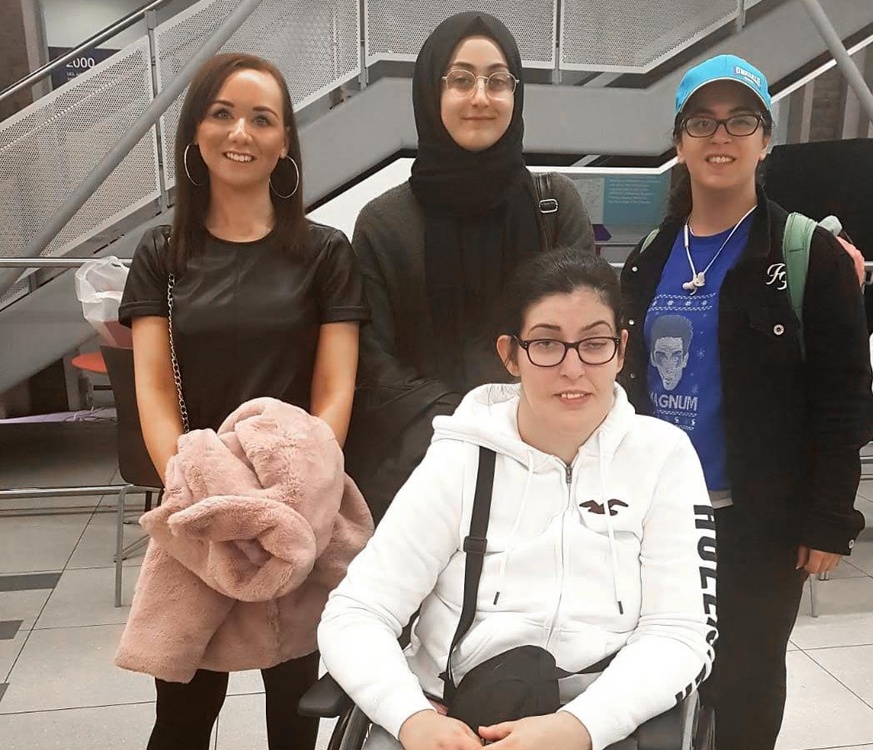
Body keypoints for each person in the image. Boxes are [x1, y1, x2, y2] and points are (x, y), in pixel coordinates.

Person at [319, 249, 716, 750]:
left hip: (602, 718)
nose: (573, 368)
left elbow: (680, 631)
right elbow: (356, 612)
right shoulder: (461, 455)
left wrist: (580, 727)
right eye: (547, 343)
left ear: (620, 350)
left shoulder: (662, 456)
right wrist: (411, 717)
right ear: (510, 355)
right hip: (453, 714)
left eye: (593, 343)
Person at [619, 54, 873, 750]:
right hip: (659, 518)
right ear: (679, 142)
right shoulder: (649, 254)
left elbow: (844, 396)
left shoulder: (810, 255)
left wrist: (829, 519)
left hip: (758, 520)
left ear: (765, 141)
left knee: (748, 677)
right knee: (655, 673)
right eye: (702, 121)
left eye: (740, 120)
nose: (720, 135)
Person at [117, 52, 368, 750]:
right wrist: (193, 478)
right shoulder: (162, 253)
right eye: (223, 113)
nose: (241, 132)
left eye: (263, 119)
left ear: (285, 141)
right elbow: (152, 386)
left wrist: (297, 486)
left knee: (295, 713)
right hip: (193, 508)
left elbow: (335, 386)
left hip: (296, 510)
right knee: (183, 717)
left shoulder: (324, 253)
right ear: (195, 131)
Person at [345, 11, 595, 523]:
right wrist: (471, 433)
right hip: (419, 478)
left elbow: (584, 338)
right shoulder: (384, 224)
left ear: (516, 95)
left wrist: (514, 434)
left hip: (542, 472)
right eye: (460, 79)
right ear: (429, 93)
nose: (480, 96)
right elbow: (373, 364)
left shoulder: (555, 207)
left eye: (497, 80)